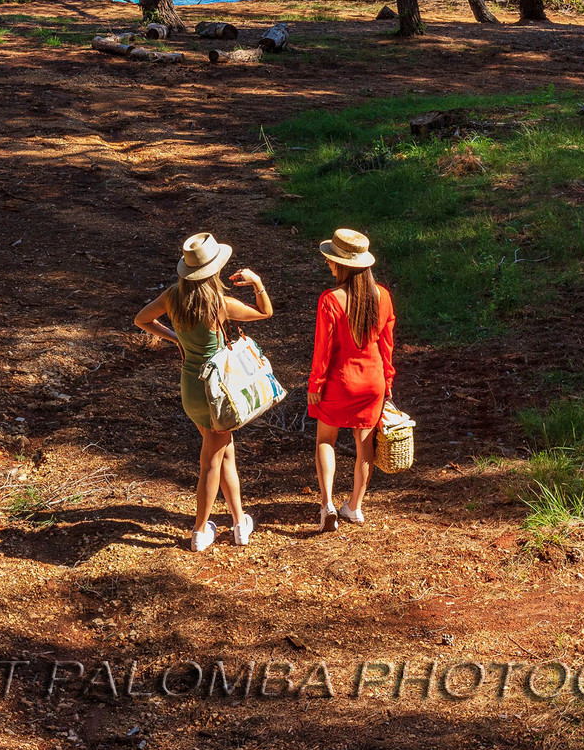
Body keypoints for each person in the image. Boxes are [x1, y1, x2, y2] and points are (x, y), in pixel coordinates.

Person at [134, 231, 274, 552]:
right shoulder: (219, 304)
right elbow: (265, 311)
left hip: (192, 389)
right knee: (210, 462)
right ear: (214, 270)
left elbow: (142, 320)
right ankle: (199, 531)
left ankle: (239, 522)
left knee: (225, 453)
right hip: (219, 393)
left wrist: (176, 339)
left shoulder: (172, 296)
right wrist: (256, 282)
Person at [307, 225, 394, 532]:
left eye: (331, 259)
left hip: (339, 381)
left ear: (343, 264)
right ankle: (354, 507)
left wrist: (316, 384)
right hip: (373, 381)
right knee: (365, 446)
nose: (328, 263)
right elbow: (387, 345)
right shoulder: (383, 296)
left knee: (325, 440)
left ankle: (327, 505)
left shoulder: (331, 299)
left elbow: (323, 348)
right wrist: (388, 382)